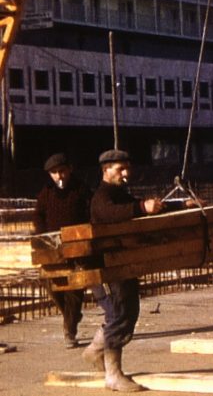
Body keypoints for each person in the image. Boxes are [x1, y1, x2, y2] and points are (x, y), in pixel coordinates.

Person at [82, 149, 164, 392]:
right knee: (120, 314)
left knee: (126, 310)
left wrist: (172, 205)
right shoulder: (102, 197)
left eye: (128, 167)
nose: (126, 173)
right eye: (120, 169)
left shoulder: (119, 194)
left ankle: (95, 351)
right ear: (105, 171)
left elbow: (137, 208)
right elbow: (111, 214)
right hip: (108, 267)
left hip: (122, 263)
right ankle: (113, 375)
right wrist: (141, 207)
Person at [34, 153, 91, 349]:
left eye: (62, 171)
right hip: (53, 248)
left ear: (69, 170)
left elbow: (89, 214)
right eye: (54, 173)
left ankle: (70, 330)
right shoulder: (46, 193)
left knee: (75, 289)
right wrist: (44, 238)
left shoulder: (81, 189)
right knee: (51, 284)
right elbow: (38, 217)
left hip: (77, 246)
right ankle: (70, 315)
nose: (59, 176)